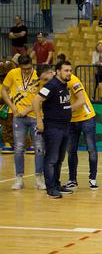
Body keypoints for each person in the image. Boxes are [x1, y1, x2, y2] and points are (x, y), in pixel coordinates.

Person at [32, 61, 77, 199]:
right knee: (51, 159)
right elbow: (36, 100)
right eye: (66, 70)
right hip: (53, 127)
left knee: (59, 159)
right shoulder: (51, 85)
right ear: (58, 71)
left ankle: (56, 185)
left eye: (70, 70)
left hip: (65, 127)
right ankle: (50, 189)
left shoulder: (65, 86)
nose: (69, 73)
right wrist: (39, 121)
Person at [1, 54, 46, 190]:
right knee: (19, 148)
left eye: (29, 68)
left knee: (39, 149)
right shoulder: (13, 73)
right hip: (18, 117)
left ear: (32, 64)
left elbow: (42, 97)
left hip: (36, 116)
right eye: (24, 69)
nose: (26, 71)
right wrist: (12, 106)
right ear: (19, 66)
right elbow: (4, 90)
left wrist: (26, 110)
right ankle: (19, 179)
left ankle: (39, 178)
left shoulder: (38, 75)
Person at [65, 72, 98, 190]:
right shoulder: (55, 84)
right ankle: (72, 180)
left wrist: (65, 110)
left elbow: (81, 100)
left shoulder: (73, 80)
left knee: (91, 148)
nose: (68, 73)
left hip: (86, 117)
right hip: (71, 119)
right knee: (71, 150)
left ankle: (92, 179)